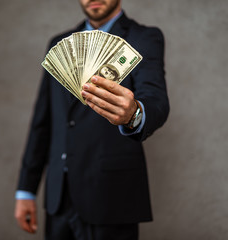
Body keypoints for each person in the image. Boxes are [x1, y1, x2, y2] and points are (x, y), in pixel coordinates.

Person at [15, 0, 169, 239]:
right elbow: (42, 123)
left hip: (110, 196)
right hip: (59, 197)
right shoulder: (58, 44)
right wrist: (26, 190)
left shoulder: (144, 37)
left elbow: (156, 99)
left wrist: (134, 114)